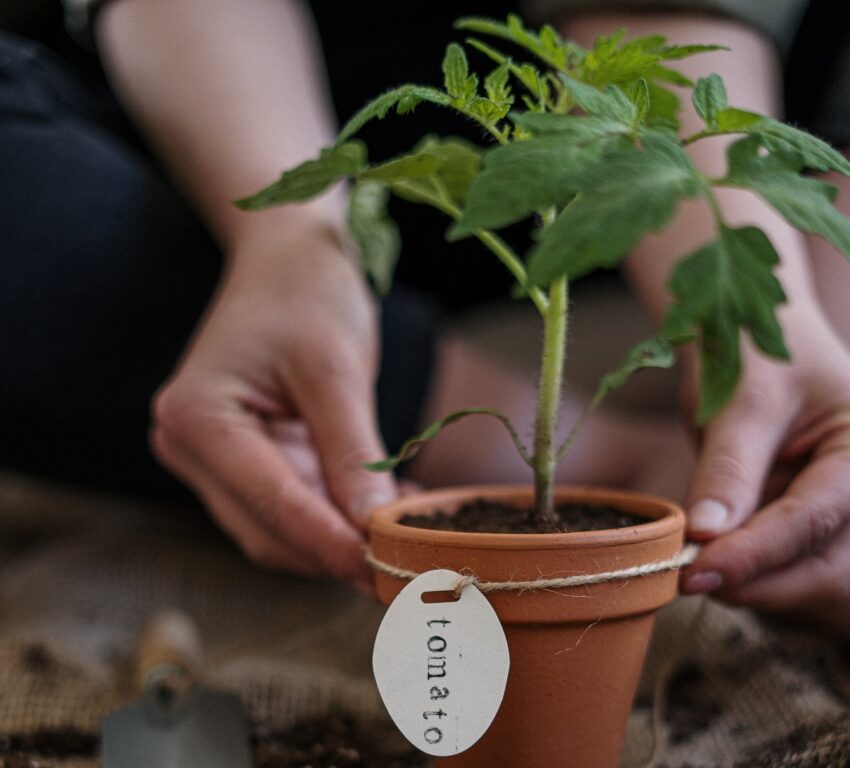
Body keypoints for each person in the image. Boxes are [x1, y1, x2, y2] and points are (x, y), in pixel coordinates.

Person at [1, 0, 848, 633]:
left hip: (660, 108)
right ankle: (614, 461)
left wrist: (749, 320)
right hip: (244, 128)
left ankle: (799, 414)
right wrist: (293, 240)